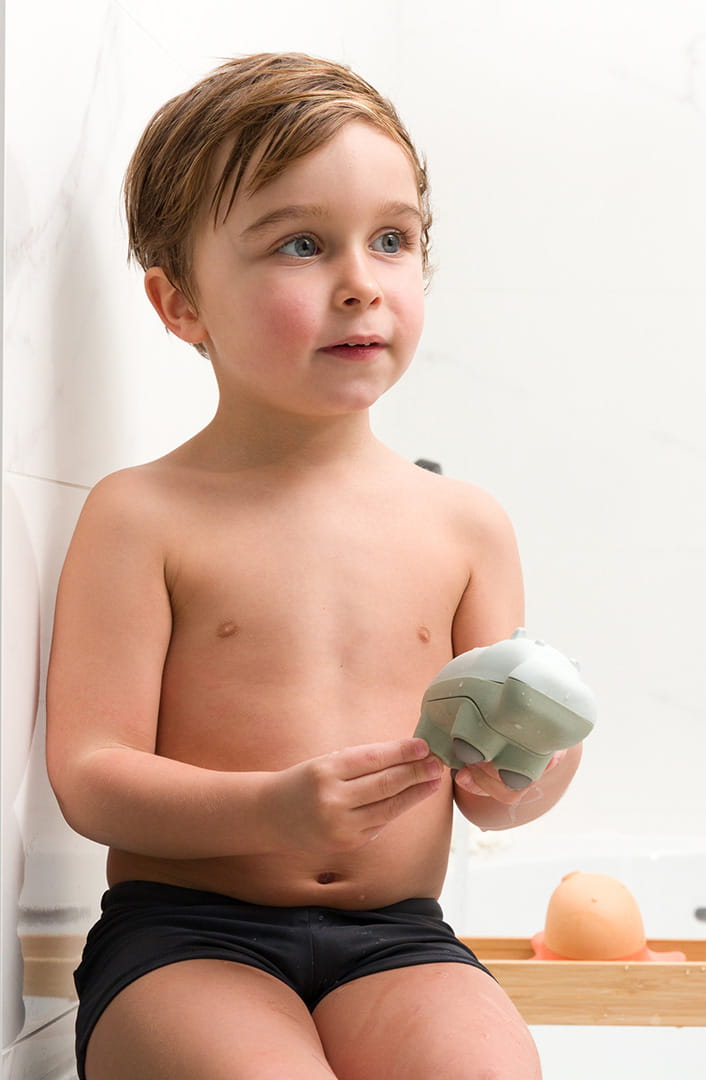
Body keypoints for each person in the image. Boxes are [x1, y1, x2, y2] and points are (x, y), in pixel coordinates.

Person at [45, 52, 582, 1080]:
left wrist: (529, 768)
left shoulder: (466, 525)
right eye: (301, 244)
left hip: (399, 936)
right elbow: (92, 776)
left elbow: (492, 795)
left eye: (392, 239)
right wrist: (269, 811)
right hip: (186, 933)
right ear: (181, 305)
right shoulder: (143, 515)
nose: (360, 283)